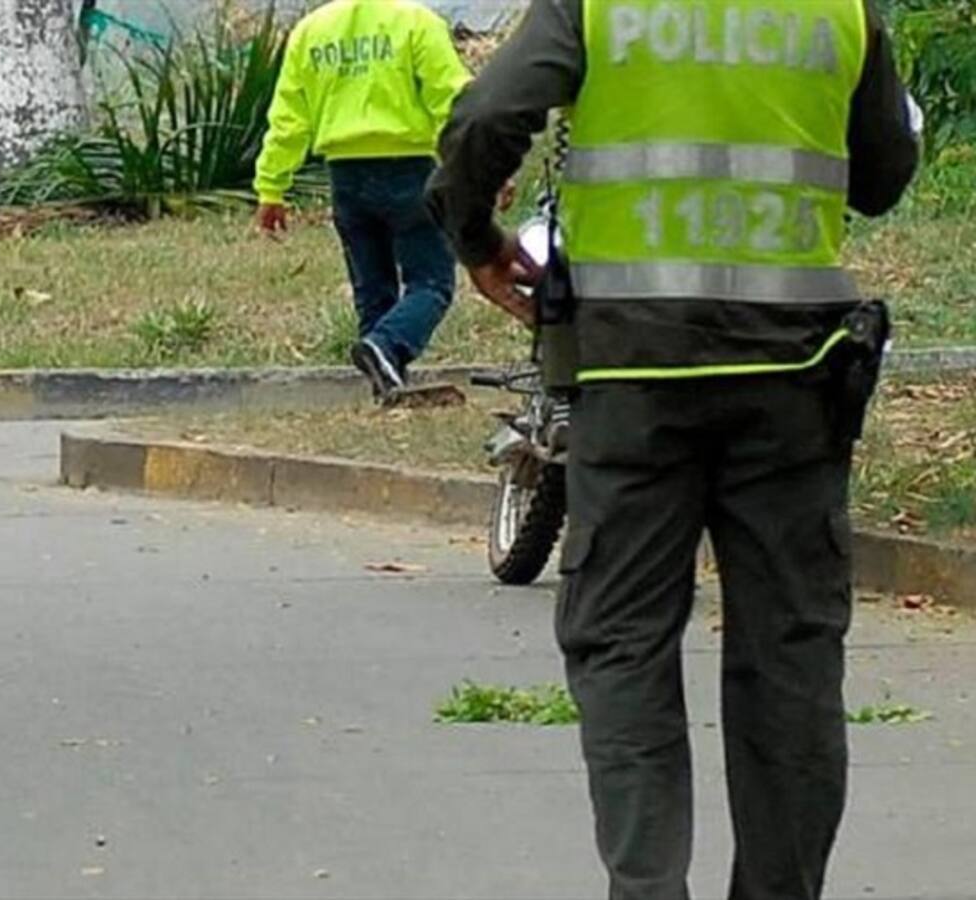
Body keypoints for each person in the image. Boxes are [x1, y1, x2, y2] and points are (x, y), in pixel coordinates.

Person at [426, 2, 919, 898]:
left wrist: (476, 239)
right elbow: (882, 176)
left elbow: (489, 114)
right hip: (796, 379)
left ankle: (648, 889)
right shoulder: (843, 6)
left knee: (622, 640)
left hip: (634, 378)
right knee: (792, 652)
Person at [252, 0, 470, 400]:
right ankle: (386, 348)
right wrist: (479, 163)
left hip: (345, 177)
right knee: (432, 281)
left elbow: (288, 119)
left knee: (373, 289)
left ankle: (385, 383)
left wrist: (271, 187)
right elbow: (451, 102)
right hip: (408, 169)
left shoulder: (311, 31)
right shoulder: (416, 22)